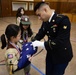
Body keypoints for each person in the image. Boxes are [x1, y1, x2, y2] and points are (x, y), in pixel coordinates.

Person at [32, 2, 73, 75]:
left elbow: (61, 41)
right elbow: (41, 33)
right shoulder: (46, 21)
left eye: (39, 15)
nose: (39, 18)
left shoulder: (63, 20)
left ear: (45, 10)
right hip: (51, 54)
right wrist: (32, 42)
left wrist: (42, 44)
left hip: (61, 56)